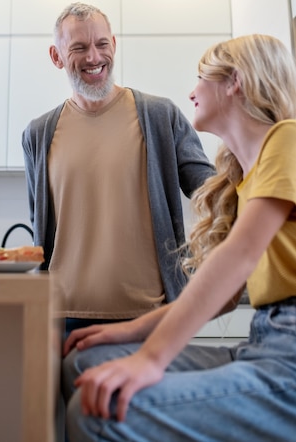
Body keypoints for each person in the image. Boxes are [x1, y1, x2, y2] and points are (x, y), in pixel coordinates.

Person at [62, 33, 296, 442]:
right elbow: (222, 297)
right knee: (84, 364)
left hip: (288, 355)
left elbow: (239, 255)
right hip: (264, 341)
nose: (192, 92)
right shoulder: (245, 180)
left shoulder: (288, 138)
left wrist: (151, 359)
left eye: (200, 78)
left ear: (234, 81)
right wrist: (130, 332)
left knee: (96, 411)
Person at [22, 2, 214, 334]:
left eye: (101, 44)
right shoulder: (38, 134)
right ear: (56, 56)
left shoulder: (159, 116)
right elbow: (39, 222)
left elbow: (210, 190)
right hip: (61, 315)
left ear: (114, 44)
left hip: (150, 315)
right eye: (79, 48)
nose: (94, 57)